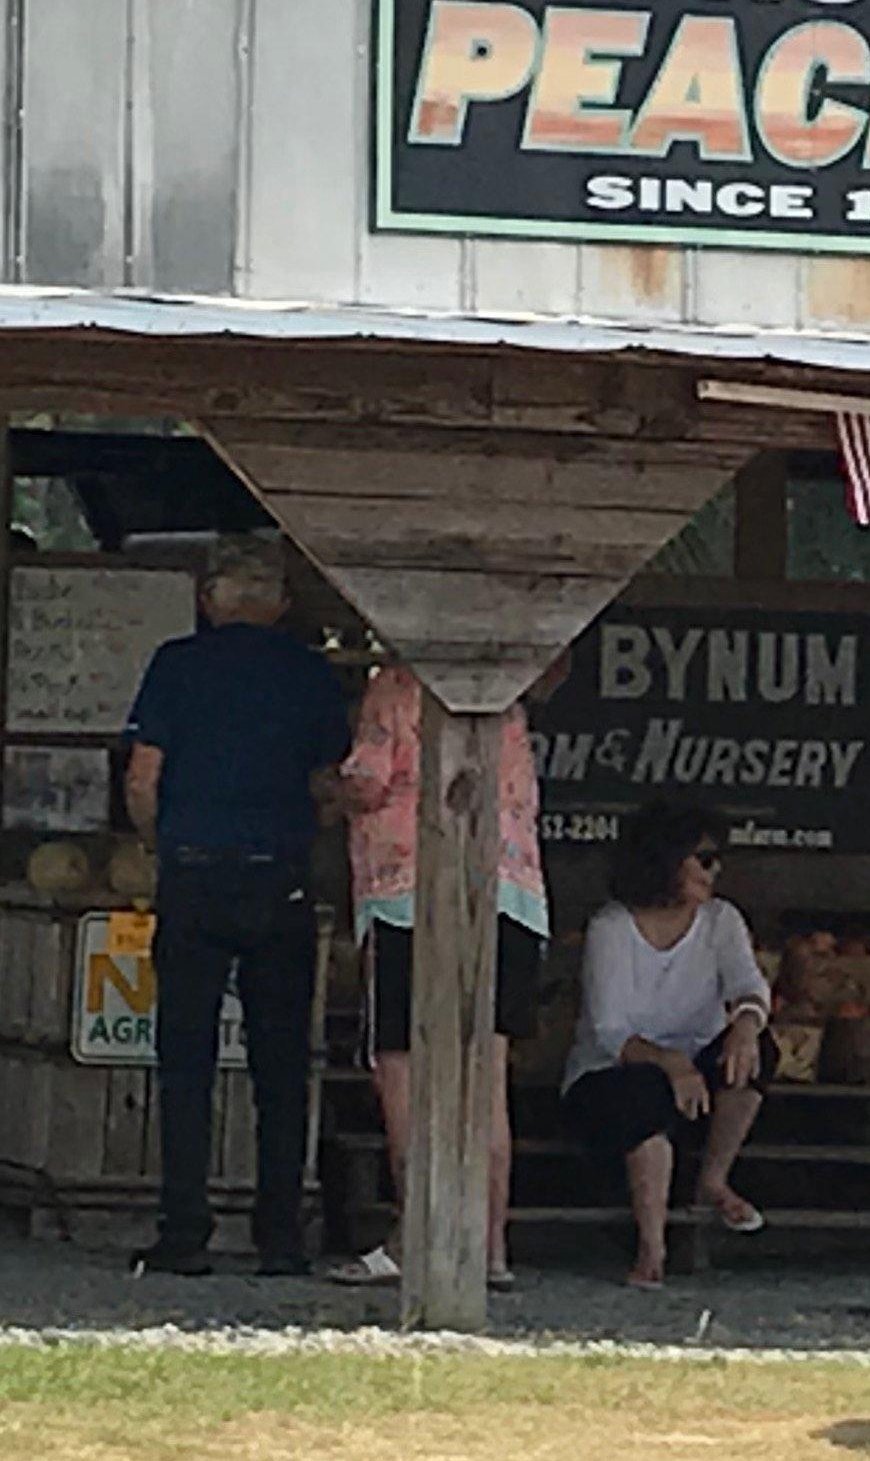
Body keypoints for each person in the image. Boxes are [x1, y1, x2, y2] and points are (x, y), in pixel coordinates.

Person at [121, 534, 354, 1277]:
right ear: (281, 605)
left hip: (193, 871)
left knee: (185, 1059)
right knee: (281, 1065)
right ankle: (280, 1236)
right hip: (278, 875)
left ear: (208, 599)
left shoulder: (177, 665)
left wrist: (162, 841)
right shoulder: (310, 674)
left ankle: (184, 1230)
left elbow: (142, 777)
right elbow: (331, 784)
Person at [323, 651, 561, 1292]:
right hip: (509, 893)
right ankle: (489, 1249)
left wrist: (325, 790)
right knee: (486, 1077)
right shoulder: (501, 692)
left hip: (408, 895)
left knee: (403, 1073)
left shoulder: (394, 687)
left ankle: (417, 1238)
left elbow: (369, 782)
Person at [563, 801, 775, 1289]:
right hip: (611, 1074)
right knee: (643, 1095)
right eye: (703, 858)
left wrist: (746, 1023)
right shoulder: (612, 928)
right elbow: (608, 1030)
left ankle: (714, 1179)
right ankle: (651, 1246)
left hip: (697, 1071)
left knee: (759, 1053)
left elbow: (750, 985)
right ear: (666, 860)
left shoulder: (722, 920)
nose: (713, 871)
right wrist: (669, 1063)